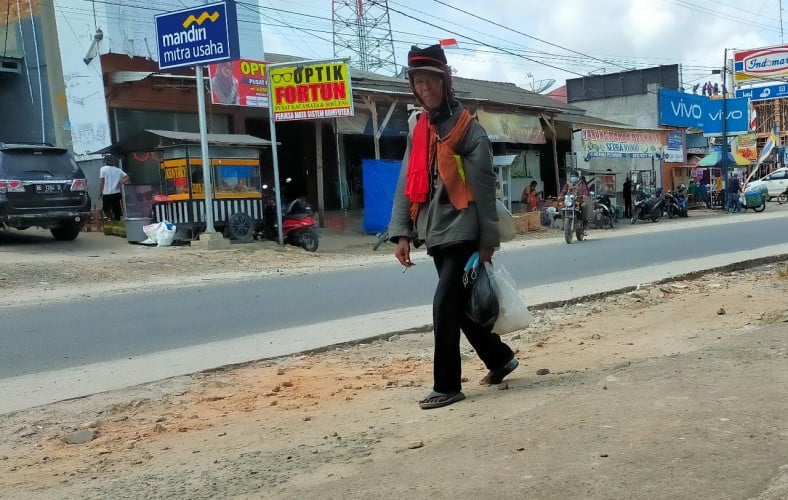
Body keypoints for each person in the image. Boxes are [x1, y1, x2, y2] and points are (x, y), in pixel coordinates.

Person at [388, 44, 518, 410]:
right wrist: (402, 232)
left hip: (464, 230)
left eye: (430, 80)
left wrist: (487, 243)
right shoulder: (418, 127)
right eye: (418, 81)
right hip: (434, 231)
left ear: (445, 82)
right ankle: (500, 358)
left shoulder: (468, 131)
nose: (424, 88)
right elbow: (405, 181)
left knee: (444, 304)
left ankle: (447, 384)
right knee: (459, 307)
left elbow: (484, 190)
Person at [99, 155, 129, 221]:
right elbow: (127, 177)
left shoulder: (103, 169)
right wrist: (121, 182)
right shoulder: (118, 170)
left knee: (105, 209)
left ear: (105, 161)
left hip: (106, 193)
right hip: (116, 193)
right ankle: (116, 221)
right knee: (117, 209)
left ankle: (111, 218)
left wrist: (100, 192)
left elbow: (102, 181)